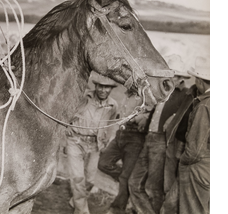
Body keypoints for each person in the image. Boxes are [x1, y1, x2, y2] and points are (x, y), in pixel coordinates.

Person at [128, 55, 192, 214]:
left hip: (163, 142)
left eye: (176, 76)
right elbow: (156, 111)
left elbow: (183, 120)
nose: (172, 78)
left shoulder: (185, 96)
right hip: (149, 137)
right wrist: (146, 120)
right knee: (134, 183)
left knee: (153, 187)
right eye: (170, 75)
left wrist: (175, 118)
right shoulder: (162, 90)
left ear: (182, 78)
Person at [161, 57, 209, 214]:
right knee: (171, 204)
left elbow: (195, 149)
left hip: (197, 166)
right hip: (204, 165)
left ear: (201, 81)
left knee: (191, 208)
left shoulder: (204, 105)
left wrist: (183, 160)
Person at [66, 73, 119, 214]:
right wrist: (67, 126)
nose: (103, 90)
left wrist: (109, 137)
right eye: (100, 86)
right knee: (78, 178)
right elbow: (67, 110)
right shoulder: (83, 97)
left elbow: (112, 124)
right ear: (96, 86)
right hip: (75, 141)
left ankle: (76, 200)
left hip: (95, 145)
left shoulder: (113, 105)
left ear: (111, 89)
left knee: (89, 178)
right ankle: (81, 210)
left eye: (107, 87)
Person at [97, 90, 151, 214]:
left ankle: (117, 209)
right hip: (120, 133)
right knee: (103, 163)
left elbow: (152, 112)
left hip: (135, 136)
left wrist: (138, 118)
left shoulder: (148, 92)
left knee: (125, 176)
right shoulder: (128, 93)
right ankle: (127, 181)